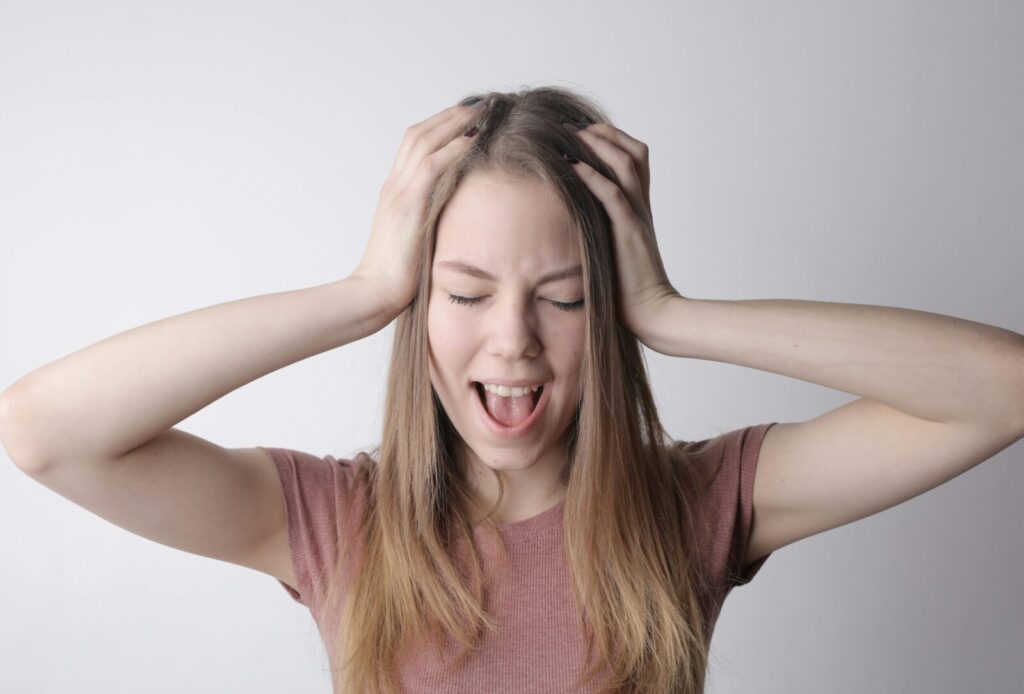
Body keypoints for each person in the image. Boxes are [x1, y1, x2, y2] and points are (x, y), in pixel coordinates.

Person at [4, 86, 1023, 694]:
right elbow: (44, 431)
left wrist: (669, 314)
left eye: (566, 297)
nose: (512, 342)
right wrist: (360, 292)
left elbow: (1001, 388)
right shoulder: (332, 520)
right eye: (463, 291)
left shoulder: (695, 504)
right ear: (418, 306)